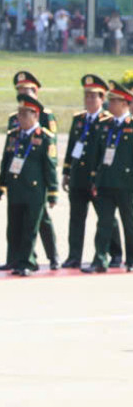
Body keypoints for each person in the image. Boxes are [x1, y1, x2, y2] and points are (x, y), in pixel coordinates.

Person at [0, 92, 57, 276]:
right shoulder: (14, 135)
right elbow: (6, 161)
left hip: (34, 190)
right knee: (14, 227)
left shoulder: (45, 137)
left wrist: (53, 191)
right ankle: (14, 260)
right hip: (15, 188)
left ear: (36, 115)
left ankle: (27, 262)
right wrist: (1, 186)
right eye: (19, 114)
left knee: (30, 228)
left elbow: (50, 167)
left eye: (25, 114)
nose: (20, 118)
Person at [62, 74, 107, 270]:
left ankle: (113, 253)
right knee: (76, 219)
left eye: (93, 96)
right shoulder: (79, 119)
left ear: (102, 99)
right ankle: (74, 256)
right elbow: (72, 146)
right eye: (86, 96)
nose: (89, 100)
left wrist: (101, 177)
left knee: (106, 219)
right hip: (78, 178)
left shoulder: (108, 121)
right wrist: (66, 171)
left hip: (97, 178)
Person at [90, 81, 133, 272]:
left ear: (125, 103)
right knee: (104, 223)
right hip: (106, 182)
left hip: (127, 185)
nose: (110, 105)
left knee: (129, 224)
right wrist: (95, 180)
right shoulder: (105, 125)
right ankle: (100, 259)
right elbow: (97, 156)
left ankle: (131, 260)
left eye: (114, 101)